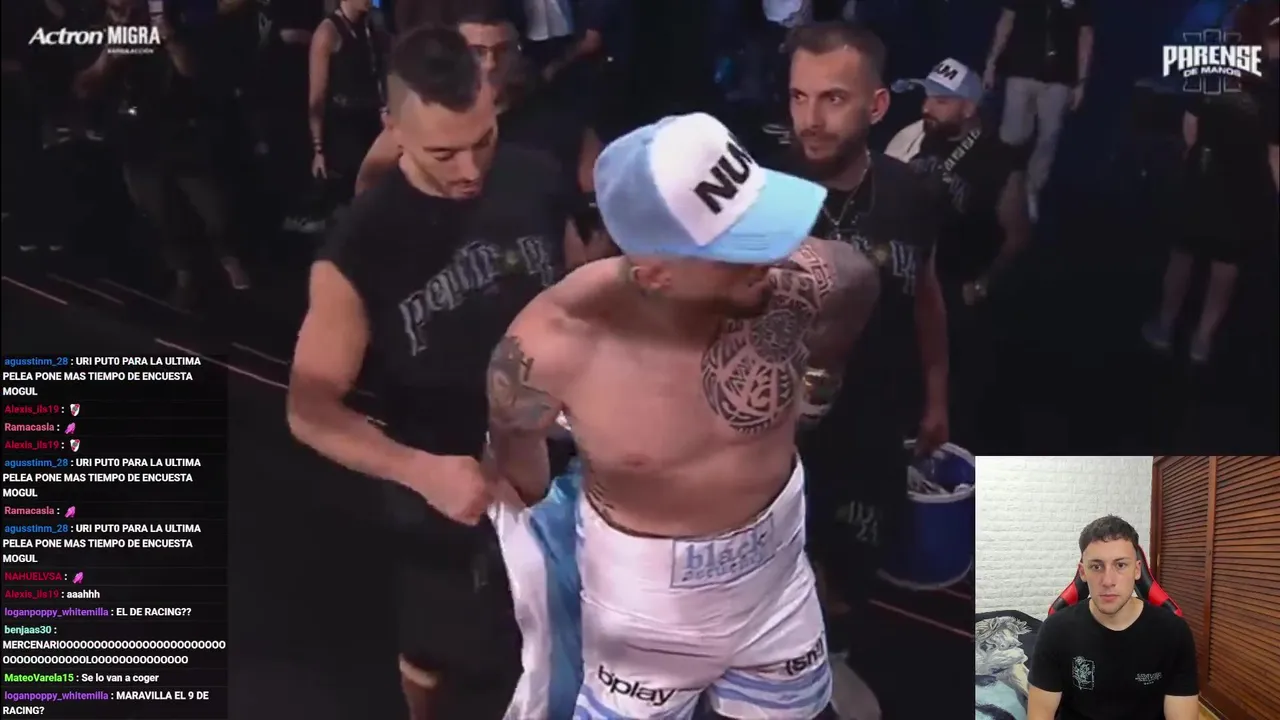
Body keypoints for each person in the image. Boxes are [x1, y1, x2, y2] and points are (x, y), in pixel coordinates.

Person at [484, 111, 881, 718]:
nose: (770, 256)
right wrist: (555, 545)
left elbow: (858, 280)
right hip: (643, 617)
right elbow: (518, 460)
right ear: (655, 273)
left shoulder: (792, 284)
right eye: (738, 247)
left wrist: (819, 381)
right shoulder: (552, 346)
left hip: (777, 588)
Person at [286, 25, 583, 719]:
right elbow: (308, 407)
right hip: (442, 485)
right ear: (393, 128)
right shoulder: (361, 245)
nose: (470, 168)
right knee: (437, 653)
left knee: (566, 634)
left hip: (554, 467)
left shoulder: (535, 175)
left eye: (483, 139)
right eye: (443, 153)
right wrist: (419, 471)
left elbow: (577, 292)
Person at [782, 20, 948, 697]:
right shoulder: (762, 194)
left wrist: (937, 394)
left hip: (873, 425)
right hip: (776, 437)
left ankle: (833, 665)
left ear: (877, 106)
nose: (810, 119)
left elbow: (927, 296)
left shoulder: (913, 195)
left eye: (832, 99)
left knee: (850, 576)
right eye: (798, 97)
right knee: (780, 579)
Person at [355, 6, 616, 265]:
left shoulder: (554, 117)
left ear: (518, 52)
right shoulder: (424, 122)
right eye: (477, 52)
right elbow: (368, 190)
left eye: (502, 50)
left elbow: (598, 187)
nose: (490, 64)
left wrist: (593, 248)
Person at [74, 0, 249, 307]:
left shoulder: (171, 19)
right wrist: (107, 60)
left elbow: (192, 71)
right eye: (116, 9)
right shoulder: (99, 31)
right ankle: (184, 275)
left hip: (182, 132)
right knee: (159, 212)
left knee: (215, 207)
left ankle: (229, 256)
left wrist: (169, 39)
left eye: (130, 9)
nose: (124, 15)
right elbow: (83, 86)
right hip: (136, 138)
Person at [892, 58, 1030, 448]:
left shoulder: (999, 162)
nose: (926, 108)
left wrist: (984, 284)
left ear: (968, 108)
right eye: (926, 98)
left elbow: (1018, 235)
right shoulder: (916, 137)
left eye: (940, 101)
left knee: (955, 397)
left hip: (958, 294)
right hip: (911, 282)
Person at [1143, 4, 1279, 365]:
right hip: (1247, 183)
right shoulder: (1274, 83)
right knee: (1226, 263)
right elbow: (1275, 153)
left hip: (1204, 170)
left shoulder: (1214, 62)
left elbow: (1190, 122)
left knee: (1184, 251)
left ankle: (1164, 326)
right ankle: (1202, 340)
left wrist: (1194, 160)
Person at [1028, 515, 1200, 720]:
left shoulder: (1174, 632)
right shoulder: (1055, 630)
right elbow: (1040, 715)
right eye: (1096, 566)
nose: (1108, 581)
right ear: (1083, 572)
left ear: (1137, 570)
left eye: (1120, 565)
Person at [982, 0, 1094, 221]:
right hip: (1020, 71)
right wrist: (991, 62)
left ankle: (1031, 190)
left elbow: (1086, 35)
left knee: (1049, 136)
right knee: (1012, 136)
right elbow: (1006, 21)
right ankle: (1004, 186)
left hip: (1060, 78)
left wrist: (1082, 81)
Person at [308, 0, 386, 204]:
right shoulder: (327, 32)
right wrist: (318, 149)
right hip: (344, 127)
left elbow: (377, 75)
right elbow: (317, 97)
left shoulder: (370, 28)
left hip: (370, 122)